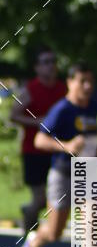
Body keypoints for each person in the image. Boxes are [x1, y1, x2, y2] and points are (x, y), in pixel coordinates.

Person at [15, 63, 97, 247]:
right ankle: (32, 244)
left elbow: (87, 140)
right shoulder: (62, 109)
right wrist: (67, 146)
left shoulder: (92, 106)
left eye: (90, 81)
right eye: (82, 81)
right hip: (62, 174)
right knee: (54, 232)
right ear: (70, 83)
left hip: (87, 174)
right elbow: (39, 140)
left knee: (89, 229)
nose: (88, 86)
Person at [10, 47, 67, 233]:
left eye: (53, 61)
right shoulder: (30, 90)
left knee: (57, 195)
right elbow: (13, 115)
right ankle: (28, 230)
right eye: (46, 62)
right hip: (33, 150)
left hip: (56, 151)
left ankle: (32, 226)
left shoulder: (62, 88)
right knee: (41, 198)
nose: (51, 66)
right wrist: (37, 122)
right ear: (37, 68)